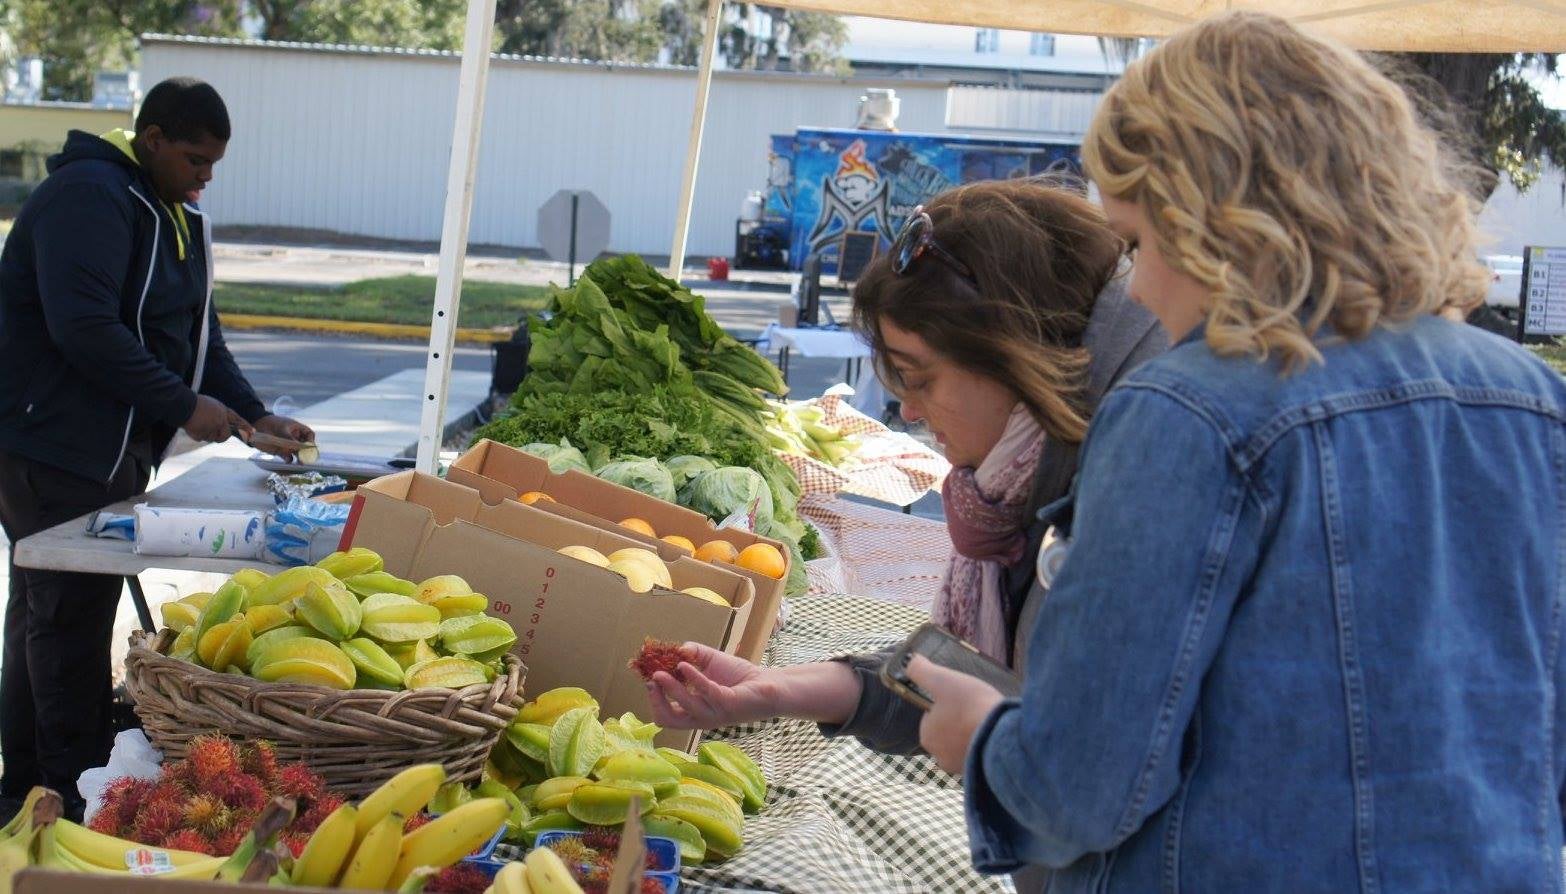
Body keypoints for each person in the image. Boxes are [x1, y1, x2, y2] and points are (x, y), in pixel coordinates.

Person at [896, 12, 1566, 892]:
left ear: (1223, 216)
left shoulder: (1190, 410)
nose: (1132, 284)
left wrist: (983, 740)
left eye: (1137, 240)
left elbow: (1078, 787)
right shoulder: (1532, 398)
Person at [642, 179, 1165, 790]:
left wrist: (999, 744)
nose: (910, 413)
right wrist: (775, 689)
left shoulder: (1125, 507)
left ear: (1016, 355)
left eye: (921, 379)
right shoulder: (1026, 485)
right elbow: (953, 676)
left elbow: (1112, 772)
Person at [0, 77, 311, 818]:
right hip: (48, 447)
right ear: (154, 142)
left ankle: (27, 786)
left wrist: (252, 413)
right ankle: (70, 794)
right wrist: (181, 406)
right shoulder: (89, 198)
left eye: (214, 164)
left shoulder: (171, 211)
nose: (206, 176)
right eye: (196, 159)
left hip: (108, 454)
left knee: (50, 613)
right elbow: (86, 329)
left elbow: (198, 341)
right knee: (64, 619)